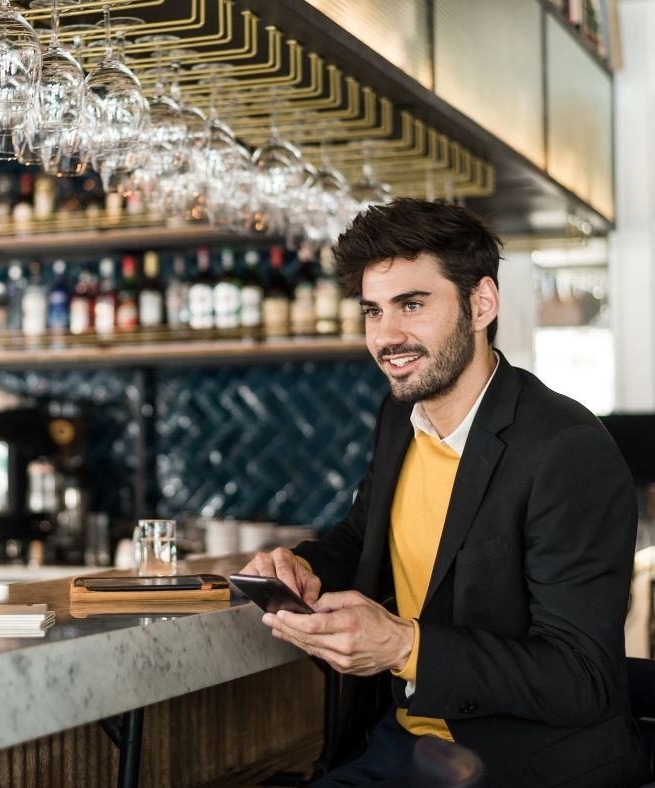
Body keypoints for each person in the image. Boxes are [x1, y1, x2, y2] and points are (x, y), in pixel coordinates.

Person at [241, 199, 651, 787]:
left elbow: (579, 677)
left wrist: (404, 647)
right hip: (405, 745)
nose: (387, 336)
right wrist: (300, 568)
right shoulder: (399, 415)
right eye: (373, 311)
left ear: (480, 303)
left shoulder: (566, 450)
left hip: (524, 764)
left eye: (412, 304)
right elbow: (364, 537)